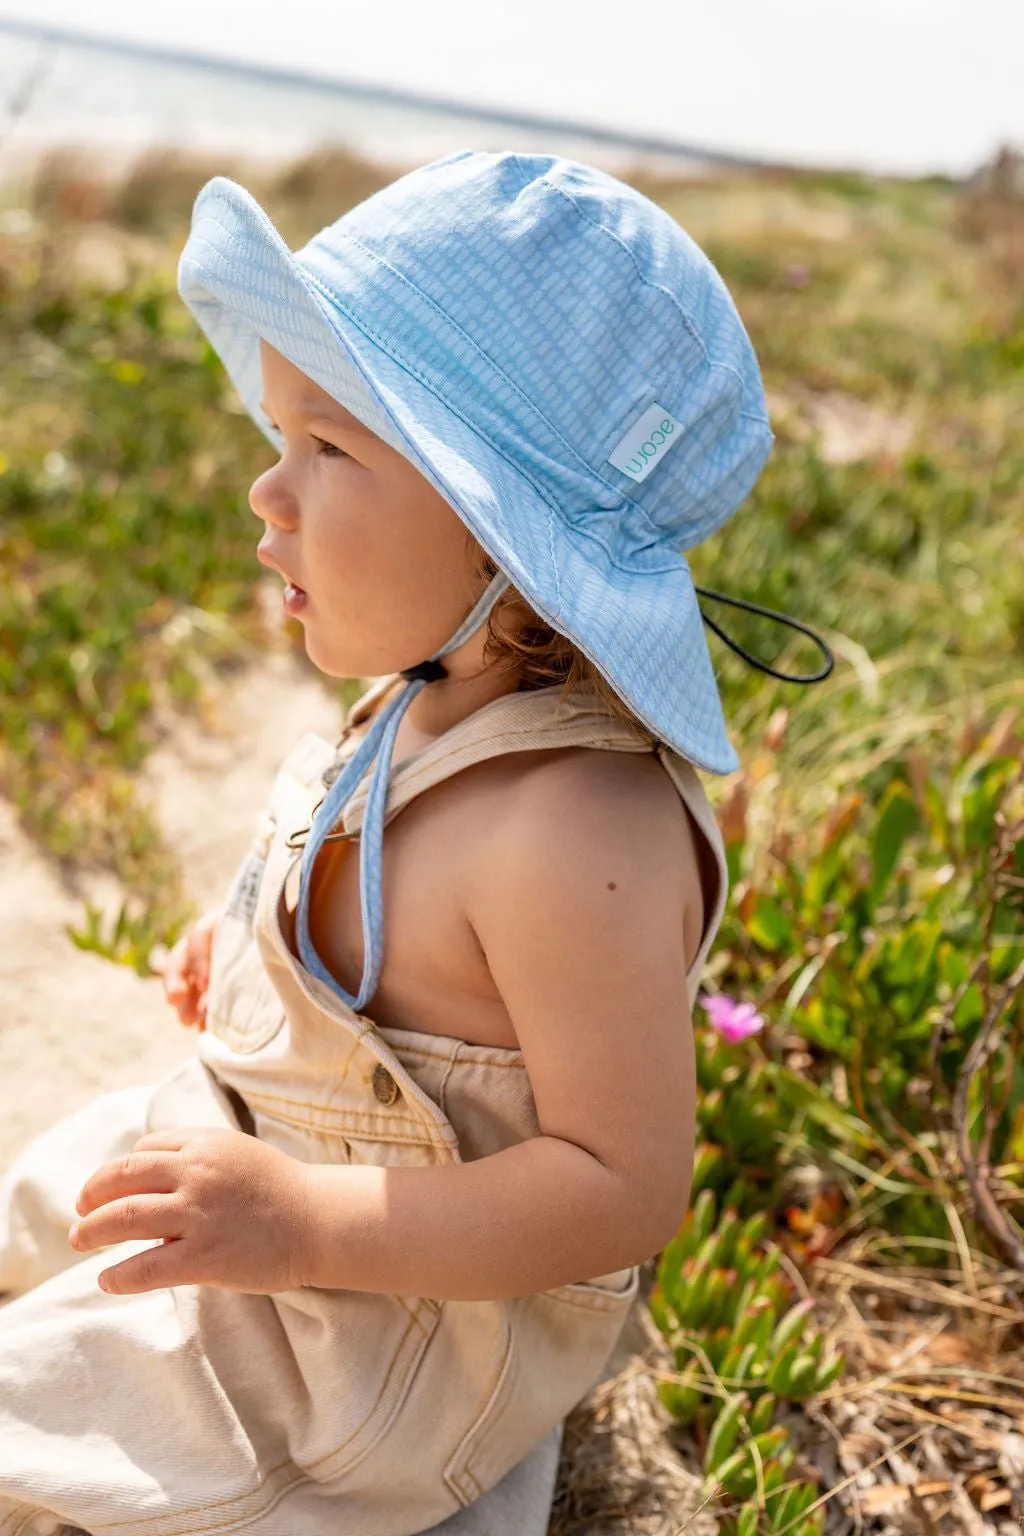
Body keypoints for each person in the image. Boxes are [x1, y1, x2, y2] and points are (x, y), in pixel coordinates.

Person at [0, 149, 831, 1534]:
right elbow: (368, 892)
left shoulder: (576, 828)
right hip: (268, 1146)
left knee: (56, 1406)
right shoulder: (420, 686)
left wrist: (303, 1227)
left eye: (329, 449)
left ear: (504, 539)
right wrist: (257, 955)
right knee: (65, 1198)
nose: (269, 494)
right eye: (280, 440)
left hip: (394, 1308)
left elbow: (619, 1189)